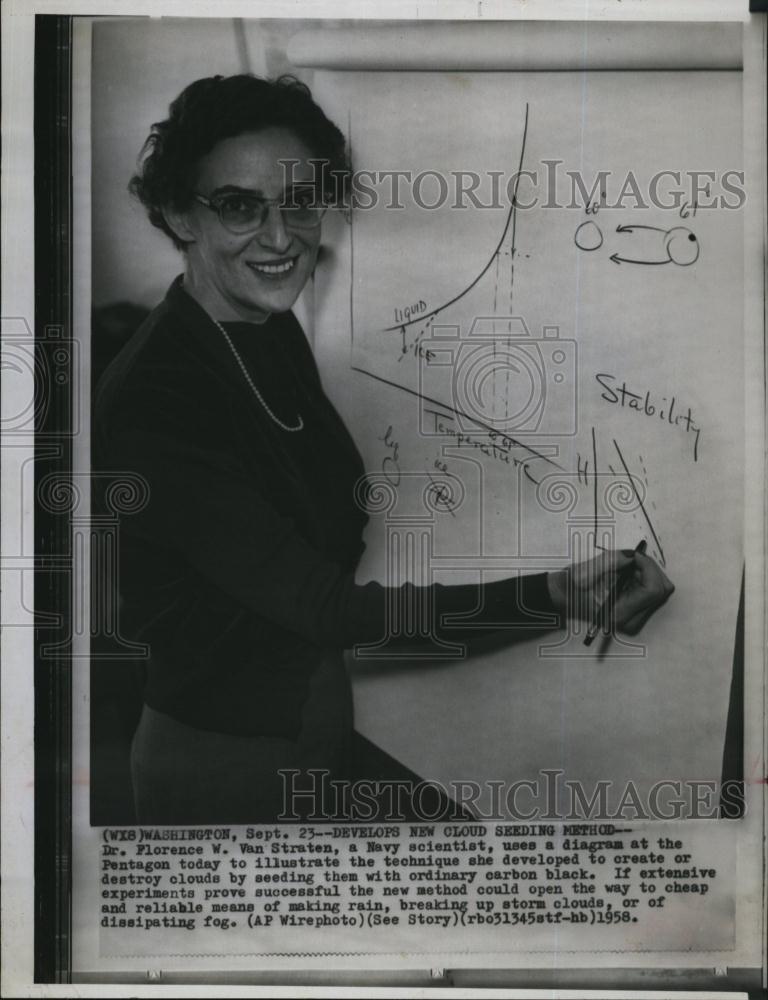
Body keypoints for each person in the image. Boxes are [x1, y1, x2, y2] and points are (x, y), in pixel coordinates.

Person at [94, 74, 674, 825]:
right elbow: (327, 608)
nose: (280, 237)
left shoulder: (266, 329)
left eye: (301, 202)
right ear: (179, 212)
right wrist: (553, 595)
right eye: (239, 206)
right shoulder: (158, 396)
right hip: (225, 771)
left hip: (315, 732)